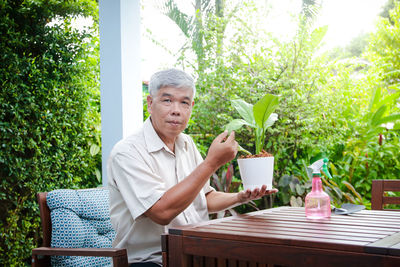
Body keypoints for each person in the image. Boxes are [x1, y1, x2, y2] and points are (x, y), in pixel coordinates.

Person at [107, 68, 278, 266]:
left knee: (263, 257)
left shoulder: (186, 143)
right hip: (149, 260)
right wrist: (212, 162)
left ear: (191, 107)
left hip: (195, 252)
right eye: (167, 100)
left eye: (184, 102)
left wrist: (241, 197)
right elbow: (161, 212)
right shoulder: (127, 152)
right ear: (150, 104)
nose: (176, 110)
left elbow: (205, 198)